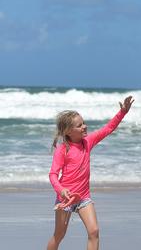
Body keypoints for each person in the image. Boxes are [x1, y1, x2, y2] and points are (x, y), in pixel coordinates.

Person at [46, 96, 134, 250]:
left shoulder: (88, 141)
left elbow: (108, 128)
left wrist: (122, 112)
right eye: (80, 125)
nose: (85, 126)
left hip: (83, 197)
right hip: (65, 199)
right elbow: (53, 174)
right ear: (68, 131)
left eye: (84, 123)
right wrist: (61, 190)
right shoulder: (62, 149)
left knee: (94, 231)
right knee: (59, 235)